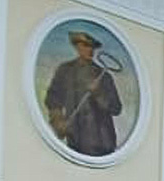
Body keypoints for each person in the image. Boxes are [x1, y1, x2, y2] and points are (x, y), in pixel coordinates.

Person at [42, 29, 122, 157]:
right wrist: (58, 122)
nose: (90, 50)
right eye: (85, 45)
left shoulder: (104, 76)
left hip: (102, 140)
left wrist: (98, 93)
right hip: (76, 138)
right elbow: (53, 99)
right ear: (76, 47)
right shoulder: (65, 70)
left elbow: (116, 108)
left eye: (92, 47)